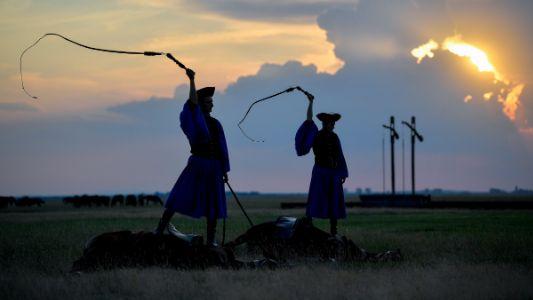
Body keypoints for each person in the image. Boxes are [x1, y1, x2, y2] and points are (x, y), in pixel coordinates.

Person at [154, 67, 230, 247]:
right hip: (197, 163)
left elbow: (222, 148)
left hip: (214, 167)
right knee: (179, 195)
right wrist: (191, 80)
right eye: (208, 102)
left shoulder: (216, 123)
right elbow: (192, 104)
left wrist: (224, 169)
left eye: (212, 102)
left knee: (214, 204)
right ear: (201, 104)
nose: (212, 105)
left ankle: (211, 241)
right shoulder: (195, 120)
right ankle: (159, 230)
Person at [294, 95, 348, 235]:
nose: (334, 125)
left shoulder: (335, 137)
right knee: (316, 197)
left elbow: (340, 155)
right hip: (320, 172)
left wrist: (342, 172)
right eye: (332, 123)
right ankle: (308, 224)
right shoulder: (316, 135)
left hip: (333, 173)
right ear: (326, 123)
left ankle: (333, 230)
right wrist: (310, 102)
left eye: (334, 123)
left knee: (333, 200)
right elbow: (309, 120)